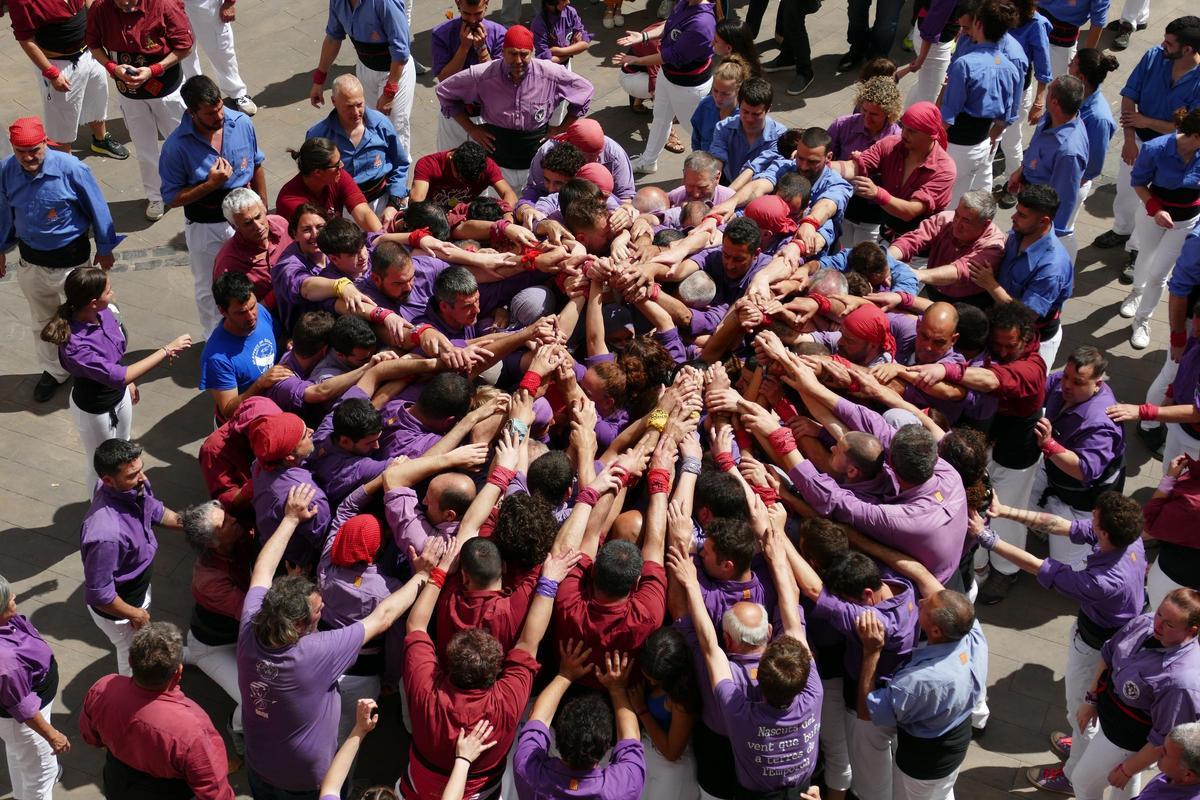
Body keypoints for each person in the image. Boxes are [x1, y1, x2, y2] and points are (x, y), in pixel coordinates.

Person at [237, 483, 432, 799]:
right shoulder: (315, 652)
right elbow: (383, 618)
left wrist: (289, 519)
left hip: (258, 766)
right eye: (317, 610)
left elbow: (262, 570)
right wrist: (424, 576)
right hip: (307, 781)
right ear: (300, 624)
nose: (322, 608)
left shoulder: (250, 627)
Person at [979, 491, 1145, 795]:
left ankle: (1073, 774)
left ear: (1104, 532)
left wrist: (988, 539)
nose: (1089, 520)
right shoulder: (1129, 539)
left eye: (1094, 518)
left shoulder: (1102, 582)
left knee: (1081, 712)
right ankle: (1083, 749)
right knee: (1081, 712)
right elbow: (1060, 525)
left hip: (1096, 651)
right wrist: (1004, 511)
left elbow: (1039, 567)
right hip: (1107, 638)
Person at [669, 509, 825, 797]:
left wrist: (690, 581)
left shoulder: (739, 709)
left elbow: (708, 646)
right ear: (769, 634)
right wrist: (778, 558)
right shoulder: (813, 693)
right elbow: (793, 622)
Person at [0, 116, 123, 403]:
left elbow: (98, 209)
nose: (29, 157)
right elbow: (4, 213)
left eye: (35, 150)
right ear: (12, 148)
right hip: (32, 264)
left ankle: (108, 364)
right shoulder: (6, 170)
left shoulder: (72, 169)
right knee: (41, 321)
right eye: (21, 151)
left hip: (74, 266)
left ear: (45, 143)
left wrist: (105, 249)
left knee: (96, 315)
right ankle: (54, 371)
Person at [40, 266, 192, 487]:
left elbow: (117, 360)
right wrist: (166, 350)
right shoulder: (76, 347)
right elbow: (117, 375)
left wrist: (129, 382)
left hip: (119, 396)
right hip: (96, 410)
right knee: (102, 464)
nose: (113, 294)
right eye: (109, 291)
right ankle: (101, 510)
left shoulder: (105, 312)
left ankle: (126, 492)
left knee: (124, 445)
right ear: (93, 302)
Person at [1056, 589, 1200, 800]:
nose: (1158, 624)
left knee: (1082, 781)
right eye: (1160, 613)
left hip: (1125, 740)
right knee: (1121, 782)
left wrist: (1128, 768)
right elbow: (1109, 652)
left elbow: (1164, 738)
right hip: (1107, 721)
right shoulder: (1146, 622)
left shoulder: (1181, 681)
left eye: (1170, 624)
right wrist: (1091, 698)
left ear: (1192, 630)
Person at [857, 583, 988, 800]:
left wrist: (871, 653)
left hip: (924, 766)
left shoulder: (916, 683)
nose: (920, 601)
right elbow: (924, 576)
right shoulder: (972, 636)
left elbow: (866, 713)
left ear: (935, 631)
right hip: (956, 742)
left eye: (927, 606)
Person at [159, 74, 267, 333]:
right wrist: (210, 185)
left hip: (247, 217)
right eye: (210, 114)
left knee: (257, 274)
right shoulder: (176, 147)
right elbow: (171, 198)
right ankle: (213, 337)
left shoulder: (241, 123)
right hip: (206, 225)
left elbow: (257, 163)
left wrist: (263, 206)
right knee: (209, 284)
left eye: (219, 108)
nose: (219, 117)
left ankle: (258, 326)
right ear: (192, 112)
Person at [79, 622, 235, 800]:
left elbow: (90, 737)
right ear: (178, 672)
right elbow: (215, 793)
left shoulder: (102, 689)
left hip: (117, 780)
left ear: (131, 661)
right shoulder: (193, 729)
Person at [1094, 17, 1200, 274]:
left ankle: (1137, 250)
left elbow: (1191, 130)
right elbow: (1130, 95)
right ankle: (1121, 230)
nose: (1162, 44)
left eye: (1169, 42)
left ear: (1187, 49)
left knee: (1151, 202)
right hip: (1139, 141)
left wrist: (1147, 120)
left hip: (1176, 150)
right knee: (1126, 190)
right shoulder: (1153, 56)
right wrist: (1130, 139)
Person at [436, 25, 594, 190]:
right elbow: (444, 92)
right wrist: (471, 129)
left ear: (532, 52)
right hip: (497, 167)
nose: (518, 61)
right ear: (503, 52)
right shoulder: (483, 74)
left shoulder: (550, 73)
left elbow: (585, 91)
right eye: (512, 53)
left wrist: (561, 128)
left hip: (537, 166)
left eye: (524, 54)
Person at [80, 438, 183, 676]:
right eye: (132, 475)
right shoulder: (105, 535)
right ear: (107, 480)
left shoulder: (132, 487)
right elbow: (100, 595)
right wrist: (135, 613)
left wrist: (195, 523)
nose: (142, 478)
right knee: (131, 654)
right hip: (120, 611)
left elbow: (155, 510)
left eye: (140, 469)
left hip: (137, 593)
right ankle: (128, 699)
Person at [85, 0, 192, 221]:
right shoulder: (100, 8)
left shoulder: (165, 5)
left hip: (166, 90)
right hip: (129, 93)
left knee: (182, 140)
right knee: (144, 148)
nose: (125, 3)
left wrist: (153, 70)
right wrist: (112, 67)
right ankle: (155, 196)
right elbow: (93, 44)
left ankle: (191, 184)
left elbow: (184, 46)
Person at [513, 644, 647, 800]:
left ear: (557, 738)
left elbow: (538, 717)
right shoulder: (621, 788)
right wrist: (617, 689)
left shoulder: (529, 771)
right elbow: (631, 738)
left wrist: (565, 675)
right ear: (606, 746)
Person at [1118, 108, 1200, 350]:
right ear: (1195, 136)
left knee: (1160, 274)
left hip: (1185, 221)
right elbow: (1138, 182)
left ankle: (1142, 319)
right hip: (1153, 214)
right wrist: (1156, 209)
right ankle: (1136, 292)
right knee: (1145, 256)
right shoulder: (1156, 148)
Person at [5, 0, 128, 158]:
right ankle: (64, 159)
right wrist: (52, 73)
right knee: (61, 116)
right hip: (59, 65)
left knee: (97, 98)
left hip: (89, 53)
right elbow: (26, 40)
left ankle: (100, 140)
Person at [181, 499, 253, 757]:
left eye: (227, 515)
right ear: (212, 542)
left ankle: (185, 655)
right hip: (215, 648)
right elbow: (252, 611)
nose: (233, 519)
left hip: (235, 637)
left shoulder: (238, 539)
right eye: (224, 523)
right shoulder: (208, 579)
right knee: (253, 701)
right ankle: (236, 727)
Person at [974, 185, 1074, 367]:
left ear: (1043, 221)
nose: (1013, 217)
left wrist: (991, 285)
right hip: (1001, 328)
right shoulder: (1019, 234)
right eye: (1017, 211)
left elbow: (1026, 316)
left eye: (1022, 215)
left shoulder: (1052, 267)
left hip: (1034, 340)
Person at [614, 0, 717, 176]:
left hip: (688, 87)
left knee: (697, 132)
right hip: (669, 75)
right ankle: (648, 162)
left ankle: (709, 174)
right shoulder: (684, 3)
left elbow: (671, 56)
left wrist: (636, 60)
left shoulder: (702, 23)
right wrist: (643, 37)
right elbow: (669, 27)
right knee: (660, 117)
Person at [829, 101, 957, 241]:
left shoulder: (944, 170)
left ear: (930, 135)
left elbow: (910, 211)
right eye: (904, 128)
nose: (904, 134)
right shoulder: (891, 145)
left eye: (912, 131)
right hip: (886, 234)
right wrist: (823, 166)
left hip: (919, 250)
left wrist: (877, 193)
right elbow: (854, 166)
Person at [940, 0, 1023, 205]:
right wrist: (990, 138)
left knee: (945, 198)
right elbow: (1008, 115)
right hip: (983, 142)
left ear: (979, 24)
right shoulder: (1010, 67)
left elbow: (948, 115)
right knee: (970, 196)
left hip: (955, 144)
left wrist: (932, 143)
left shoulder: (965, 65)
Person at [309, 0, 415, 160]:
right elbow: (333, 38)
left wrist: (390, 91)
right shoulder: (338, 2)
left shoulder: (384, 3)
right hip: (366, 69)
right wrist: (319, 80)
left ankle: (398, 182)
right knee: (368, 127)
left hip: (395, 72)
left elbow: (400, 51)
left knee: (395, 131)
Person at [306, 74, 410, 224]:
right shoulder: (318, 136)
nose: (356, 112)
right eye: (349, 106)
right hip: (340, 210)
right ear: (334, 101)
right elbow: (311, 178)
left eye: (359, 104)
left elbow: (400, 164)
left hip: (381, 205)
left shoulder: (382, 125)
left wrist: (393, 203)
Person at [0, 575, 69, 800]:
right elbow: (22, 705)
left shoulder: (5, 623)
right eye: (8, 598)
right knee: (41, 776)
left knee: (20, 754)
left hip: (17, 725)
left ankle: (22, 795)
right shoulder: (6, 661)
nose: (14, 597)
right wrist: (52, 736)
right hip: (25, 723)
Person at [1006, 75, 1090, 258]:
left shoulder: (1069, 152)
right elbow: (1036, 148)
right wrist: (1021, 171)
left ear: (1054, 102)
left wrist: (1045, 242)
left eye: (1048, 92)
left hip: (1040, 216)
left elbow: (1063, 201)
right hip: (1029, 197)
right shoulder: (1051, 117)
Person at [889, 190, 1006, 307]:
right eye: (957, 214)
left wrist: (917, 275)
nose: (957, 223)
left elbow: (960, 270)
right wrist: (888, 256)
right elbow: (913, 239)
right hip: (933, 290)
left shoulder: (993, 245)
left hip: (967, 303)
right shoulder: (945, 219)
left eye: (966, 220)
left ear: (985, 224)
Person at [199, 272, 285, 424]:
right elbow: (228, 410)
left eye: (252, 307)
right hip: (247, 424)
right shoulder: (216, 358)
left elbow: (279, 337)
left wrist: (288, 343)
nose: (251, 316)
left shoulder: (261, 312)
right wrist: (260, 383)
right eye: (241, 313)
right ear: (222, 311)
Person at [826, 77, 903, 246]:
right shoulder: (842, 125)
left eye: (874, 114)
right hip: (844, 202)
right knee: (842, 250)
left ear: (889, 114)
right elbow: (827, 157)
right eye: (864, 111)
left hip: (873, 212)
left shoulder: (896, 138)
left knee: (862, 260)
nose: (866, 118)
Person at [1063, 48, 1119, 262]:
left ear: (1081, 76)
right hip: (1059, 176)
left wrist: (1067, 185)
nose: (1069, 65)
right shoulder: (1071, 95)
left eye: (1073, 63)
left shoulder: (1098, 118)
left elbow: (1093, 165)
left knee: (1062, 231)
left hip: (1072, 183)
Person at [429, 0, 506, 150]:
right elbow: (444, 80)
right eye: (466, 14)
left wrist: (482, 49)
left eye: (478, 14)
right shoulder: (441, 34)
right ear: (458, 3)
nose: (472, 20)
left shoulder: (499, 33)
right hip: (455, 119)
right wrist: (463, 48)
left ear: (486, 4)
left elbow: (499, 82)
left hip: (489, 118)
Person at [275, 137, 381, 232]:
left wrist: (382, 238)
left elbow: (363, 212)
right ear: (318, 172)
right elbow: (321, 240)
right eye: (337, 164)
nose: (342, 165)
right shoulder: (290, 202)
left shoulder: (337, 176)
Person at [213, 188, 292, 311]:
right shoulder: (227, 262)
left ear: (264, 209)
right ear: (234, 226)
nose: (257, 226)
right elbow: (232, 309)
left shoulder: (282, 224)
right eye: (248, 223)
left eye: (258, 216)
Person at [178, 0, 258, 116]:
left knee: (221, 51)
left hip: (206, 5)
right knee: (183, 53)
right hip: (174, 5)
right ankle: (197, 97)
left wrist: (229, 3)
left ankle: (237, 92)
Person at [709, 78, 788, 187]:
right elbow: (717, 159)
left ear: (768, 109)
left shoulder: (780, 136)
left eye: (756, 114)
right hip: (729, 183)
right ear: (739, 104)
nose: (749, 119)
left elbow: (754, 168)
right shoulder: (723, 128)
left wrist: (728, 195)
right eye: (745, 112)